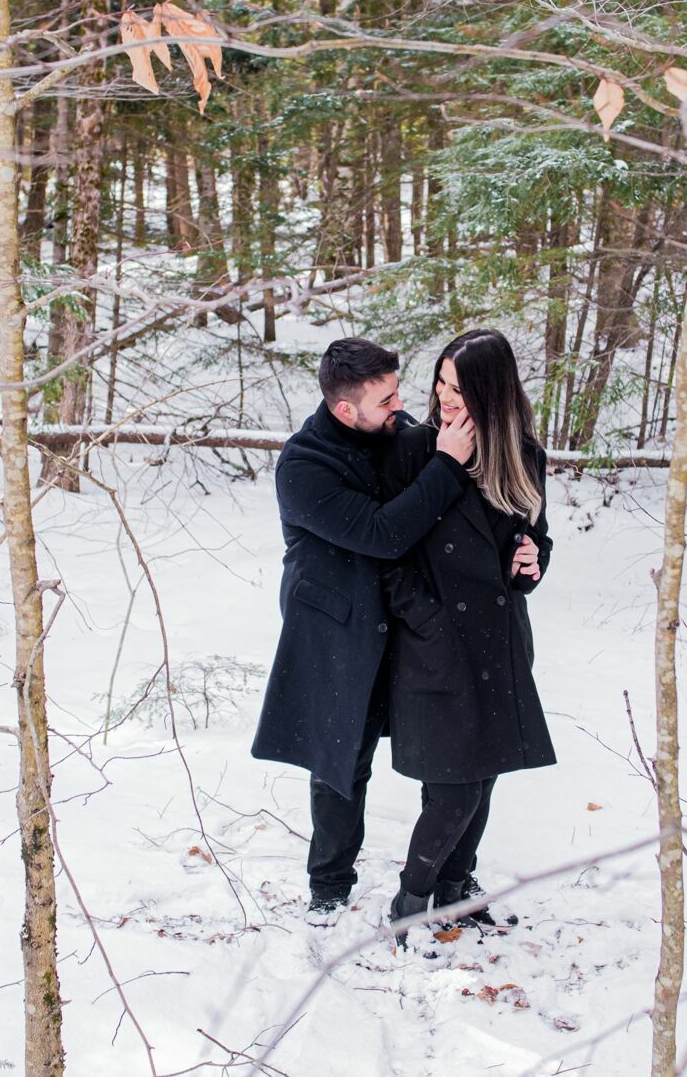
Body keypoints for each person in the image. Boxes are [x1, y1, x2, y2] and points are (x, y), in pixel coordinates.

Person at [251, 337, 476, 924]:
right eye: (386, 398)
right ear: (345, 409)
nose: (401, 405)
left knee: (441, 752)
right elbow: (382, 533)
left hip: (403, 625)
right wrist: (447, 464)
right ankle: (328, 886)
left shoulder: (391, 436)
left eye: (399, 390)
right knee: (340, 767)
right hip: (335, 636)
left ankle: (447, 870)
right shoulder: (303, 466)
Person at [378, 329, 554, 941]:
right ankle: (410, 903)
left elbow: (534, 534)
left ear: (492, 394)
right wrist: (427, 621)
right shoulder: (413, 450)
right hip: (435, 648)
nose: (443, 398)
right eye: (441, 383)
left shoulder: (523, 454)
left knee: (482, 780)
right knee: (451, 790)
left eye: (459, 390)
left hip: (498, 642)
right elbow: (388, 553)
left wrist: (533, 558)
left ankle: (454, 892)